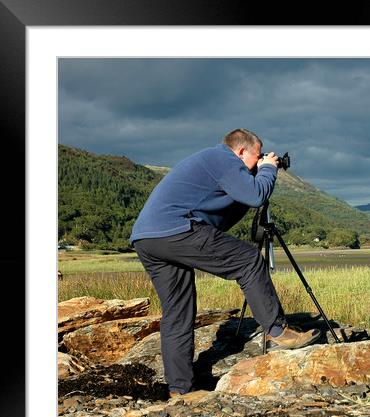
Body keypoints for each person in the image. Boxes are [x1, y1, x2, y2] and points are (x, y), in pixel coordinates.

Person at [129, 128, 321, 397]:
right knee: (249, 260)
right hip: (177, 229)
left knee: (178, 313)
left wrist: (256, 171)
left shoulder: (211, 162)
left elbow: (223, 217)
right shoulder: (222, 159)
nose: (260, 160)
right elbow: (256, 196)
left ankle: (180, 389)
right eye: (257, 155)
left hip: (148, 238)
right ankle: (278, 331)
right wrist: (268, 170)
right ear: (242, 151)